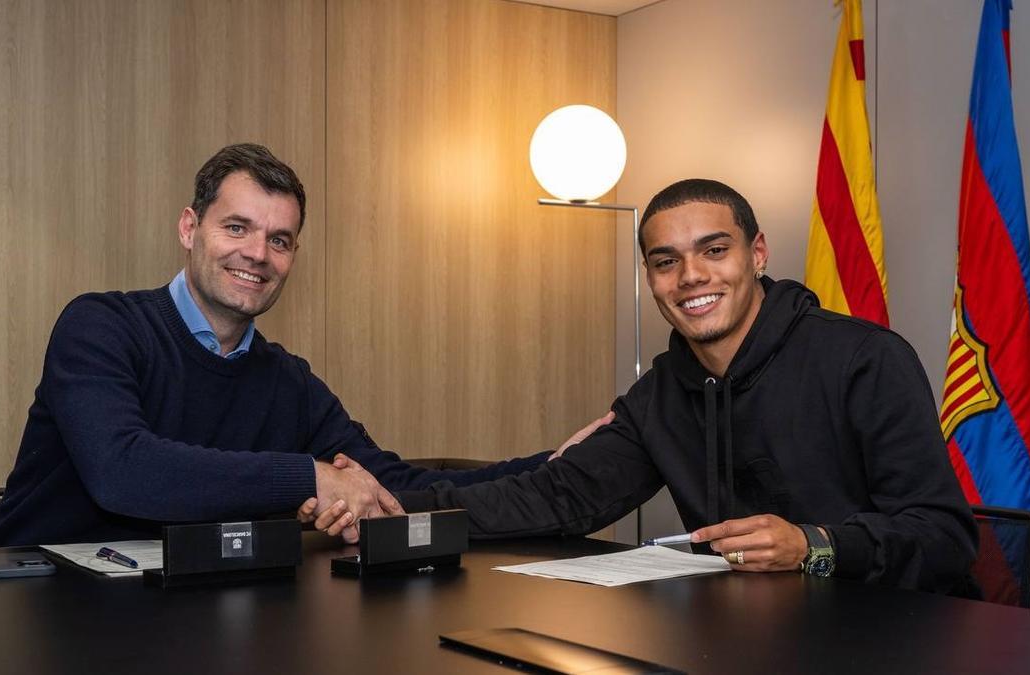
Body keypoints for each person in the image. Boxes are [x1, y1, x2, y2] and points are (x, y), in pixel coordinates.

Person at [0, 143, 586, 548]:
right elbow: (123, 470)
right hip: (21, 603)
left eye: (280, 240)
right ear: (190, 228)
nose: (257, 255)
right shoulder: (100, 326)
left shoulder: (287, 381)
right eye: (236, 227)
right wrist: (308, 477)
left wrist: (550, 464)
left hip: (174, 618)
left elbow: (391, 482)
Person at [398, 178, 978, 593]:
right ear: (649, 278)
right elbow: (556, 498)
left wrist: (814, 544)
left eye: (714, 250)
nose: (691, 276)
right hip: (745, 643)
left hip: (893, 638)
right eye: (665, 261)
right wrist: (387, 508)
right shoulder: (663, 392)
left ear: (757, 254)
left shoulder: (865, 359)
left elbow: (944, 538)